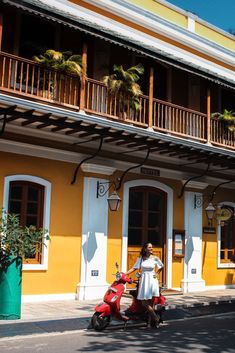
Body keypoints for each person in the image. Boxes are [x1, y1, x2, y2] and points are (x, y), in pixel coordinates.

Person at [125, 242, 163, 327]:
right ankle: (155, 318)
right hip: (144, 280)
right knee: (144, 302)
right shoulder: (141, 258)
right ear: (145, 249)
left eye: (151, 247)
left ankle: (150, 323)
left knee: (151, 303)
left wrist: (157, 273)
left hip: (152, 280)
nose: (151, 249)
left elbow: (161, 266)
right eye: (149, 247)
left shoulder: (155, 258)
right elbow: (134, 268)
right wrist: (124, 274)